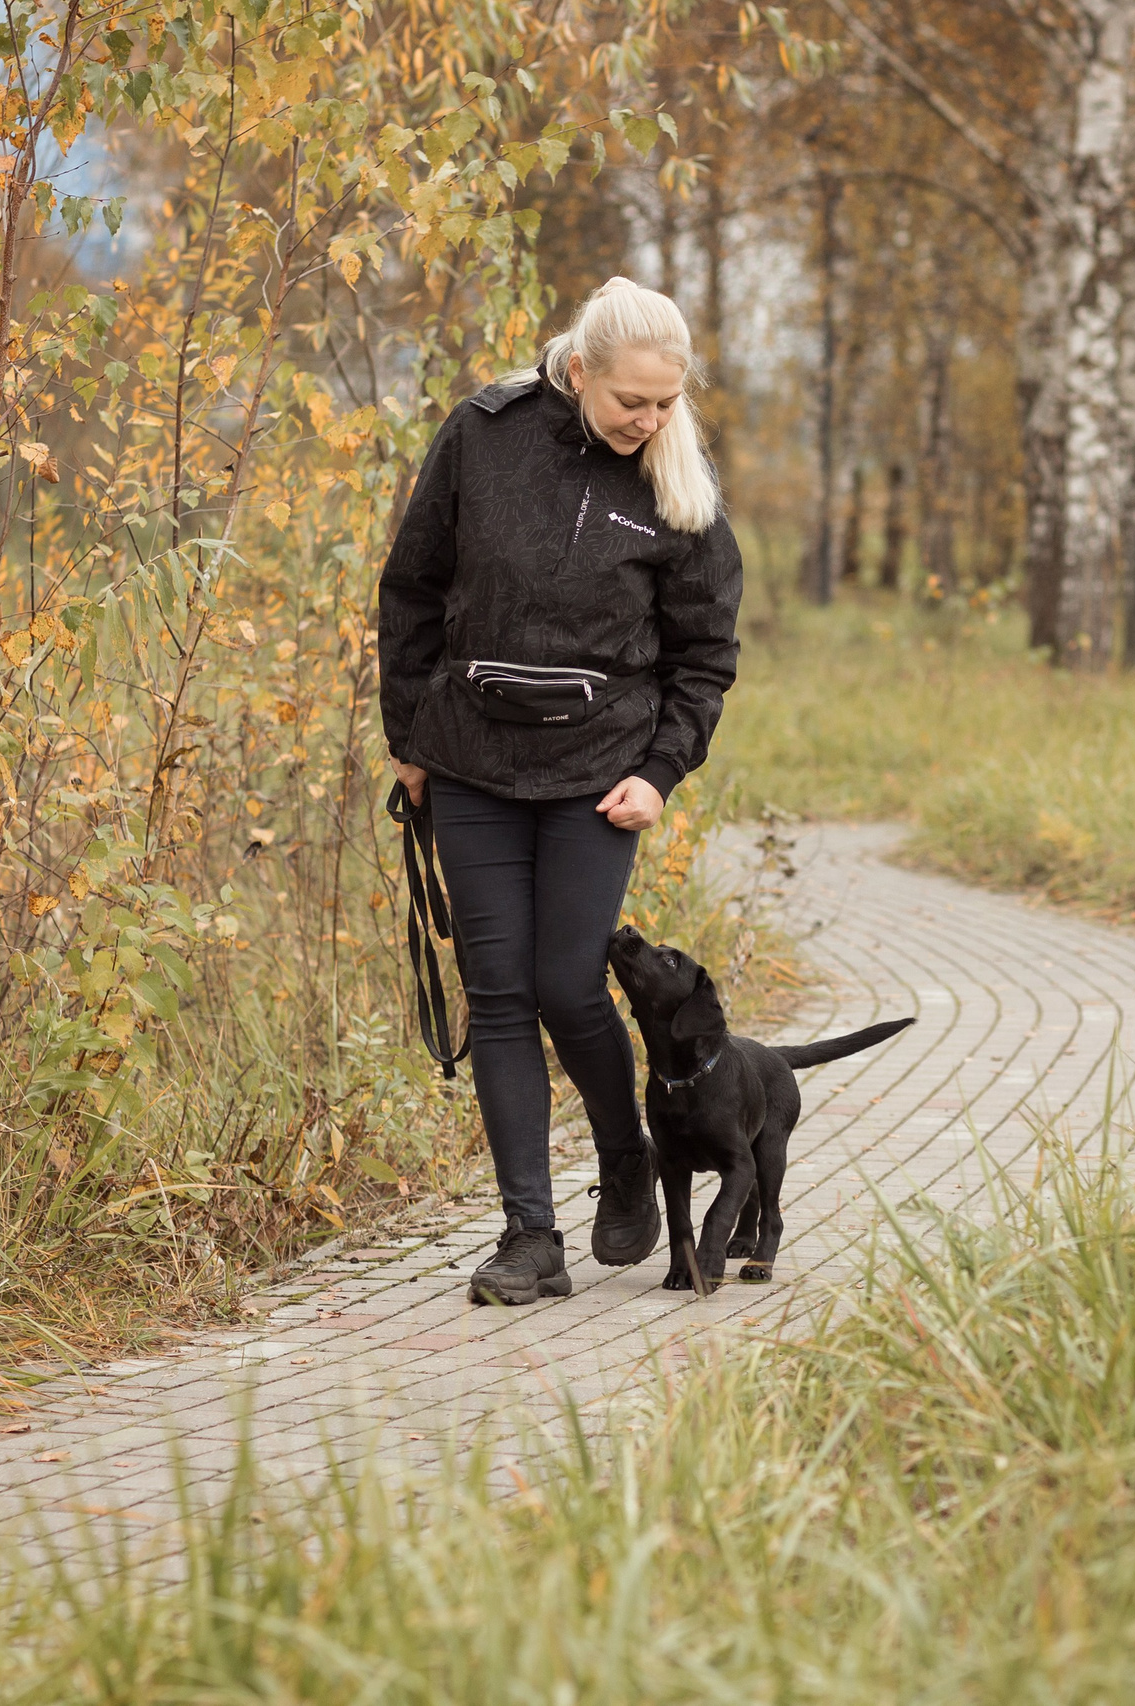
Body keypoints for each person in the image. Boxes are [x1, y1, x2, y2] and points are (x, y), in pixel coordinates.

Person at [377, 277, 744, 1306]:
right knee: (498, 991)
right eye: (633, 400)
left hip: (599, 774)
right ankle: (528, 1235)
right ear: (578, 370)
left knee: (569, 982)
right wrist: (409, 734)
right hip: (470, 759)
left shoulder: (678, 485)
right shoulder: (482, 435)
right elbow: (410, 587)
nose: (651, 419)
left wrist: (658, 772)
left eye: (667, 402)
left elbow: (704, 653)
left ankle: (624, 1154)